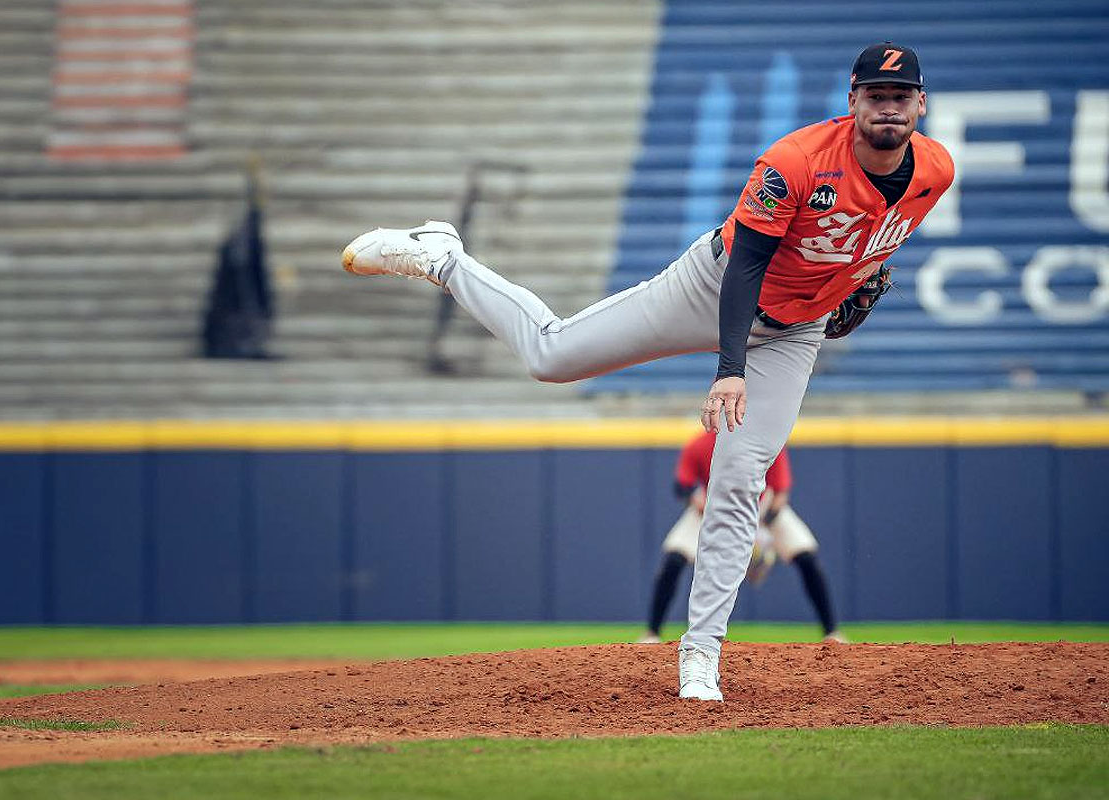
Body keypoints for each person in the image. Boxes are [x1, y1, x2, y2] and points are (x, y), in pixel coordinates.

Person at [340, 42, 953, 701]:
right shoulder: (794, 162)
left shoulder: (936, 172)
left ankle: (701, 658)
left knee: (740, 477)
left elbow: (869, 238)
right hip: (711, 288)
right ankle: (443, 257)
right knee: (552, 358)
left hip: (794, 331)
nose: (889, 108)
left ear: (920, 103)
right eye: (876, 96)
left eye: (901, 96)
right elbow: (746, 264)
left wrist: (857, 279)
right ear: (852, 100)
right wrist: (729, 368)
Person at [638, 431, 844, 645]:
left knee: (806, 557)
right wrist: (698, 503)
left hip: (763, 511)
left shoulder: (767, 441)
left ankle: (832, 631)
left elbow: (781, 493)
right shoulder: (699, 445)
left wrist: (759, 533)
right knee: (674, 559)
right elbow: (684, 486)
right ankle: (652, 633)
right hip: (712, 510)